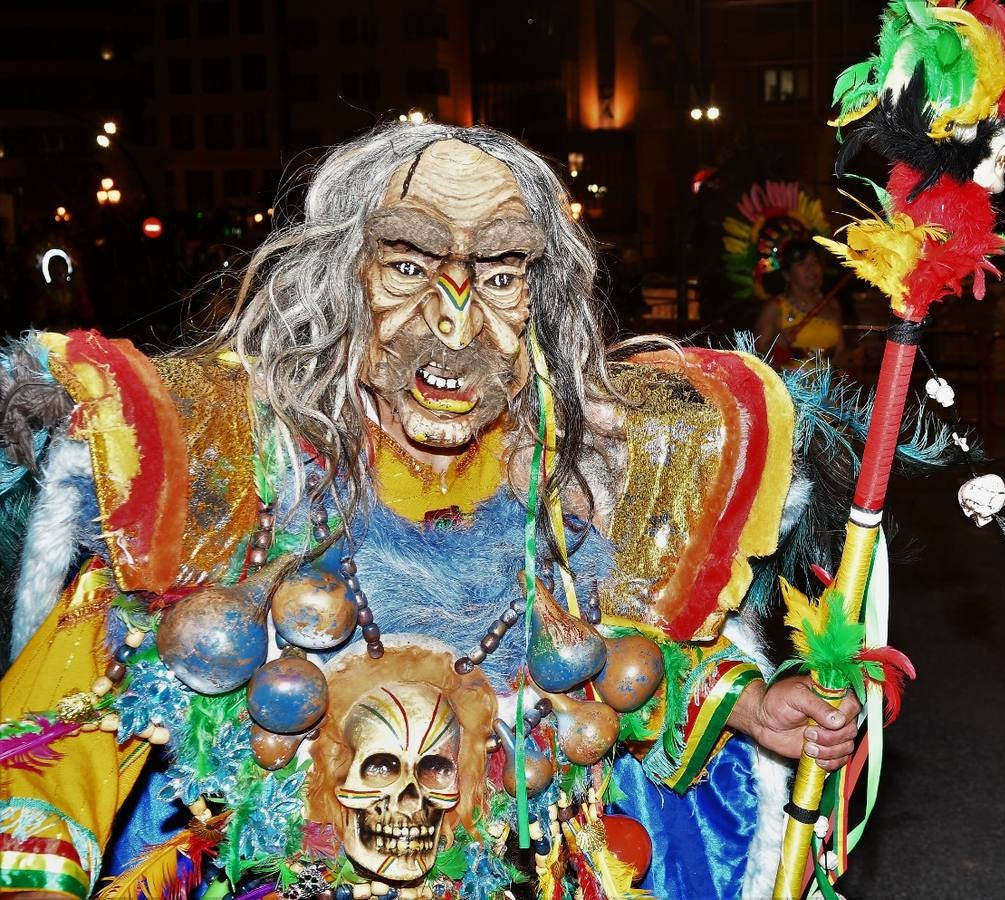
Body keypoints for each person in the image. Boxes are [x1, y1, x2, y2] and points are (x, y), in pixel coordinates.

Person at [0, 124, 861, 900]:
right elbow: (49, 739)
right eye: (408, 265)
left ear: (540, 309)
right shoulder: (237, 475)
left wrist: (753, 710)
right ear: (340, 284)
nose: (454, 322)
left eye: (498, 275)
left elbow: (635, 664)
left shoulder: (571, 492)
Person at [754, 238, 852, 371]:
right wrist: (777, 343)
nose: (811, 269)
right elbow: (756, 358)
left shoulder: (832, 304)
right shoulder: (775, 308)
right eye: (802, 263)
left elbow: (840, 352)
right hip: (789, 387)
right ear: (786, 274)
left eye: (814, 262)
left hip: (827, 387)